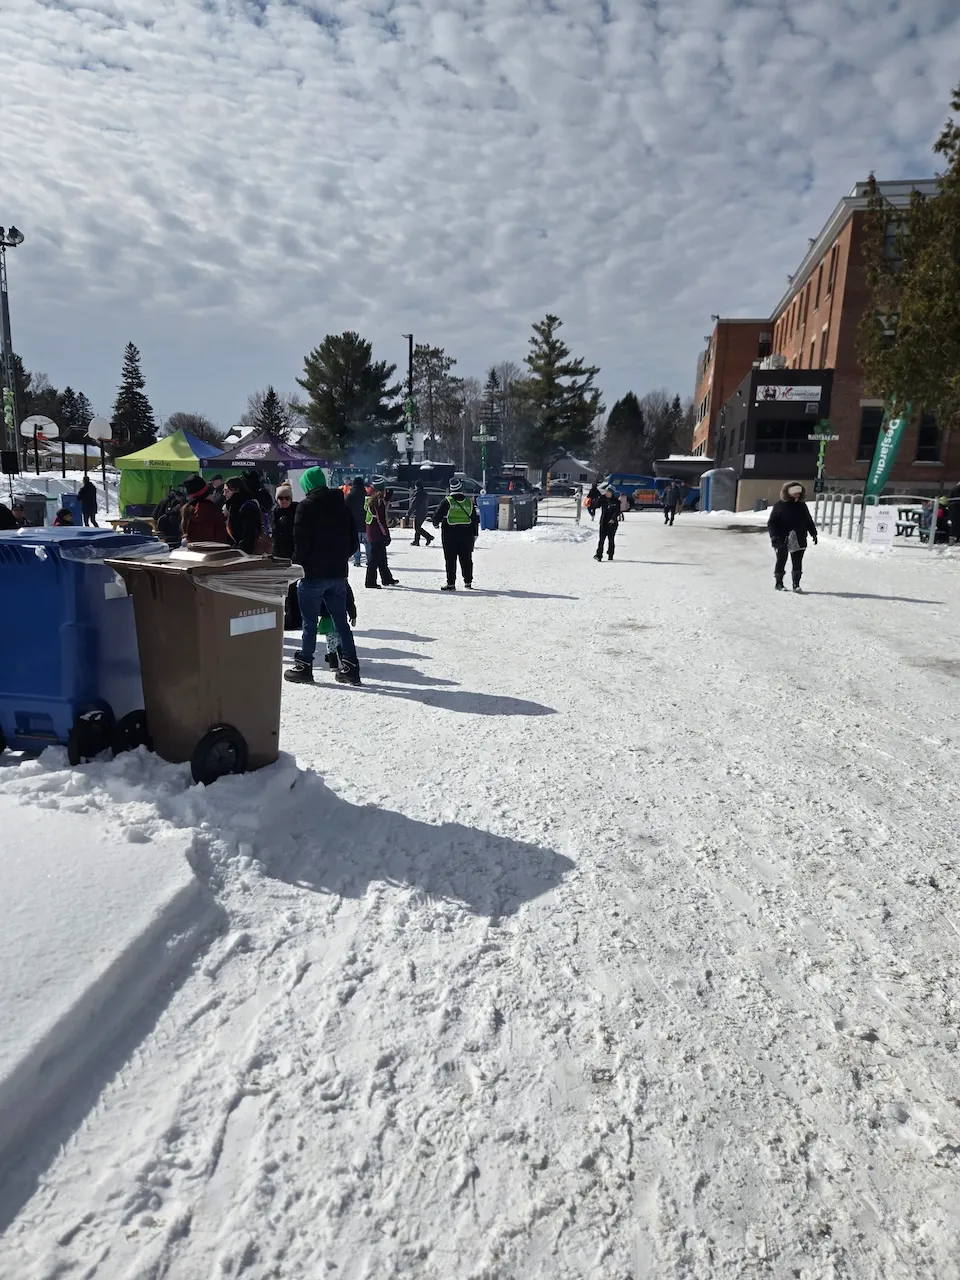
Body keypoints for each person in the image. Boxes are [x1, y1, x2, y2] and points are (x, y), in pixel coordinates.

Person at [285, 466, 362, 686]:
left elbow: (302, 544)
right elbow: (353, 541)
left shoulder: (306, 507)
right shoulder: (342, 505)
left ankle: (305, 667)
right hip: (338, 575)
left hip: (312, 576)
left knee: (310, 623)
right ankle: (351, 668)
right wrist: (338, 560)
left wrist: (298, 565)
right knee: (341, 623)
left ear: (308, 484)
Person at [768, 481, 818, 592]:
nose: (797, 495)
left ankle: (796, 585)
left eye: (799, 493)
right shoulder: (779, 505)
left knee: (797, 561)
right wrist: (773, 536)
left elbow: (808, 521)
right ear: (788, 493)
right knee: (781, 560)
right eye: (795, 493)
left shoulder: (802, 506)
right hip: (782, 538)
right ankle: (779, 583)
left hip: (798, 537)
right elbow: (772, 522)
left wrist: (813, 533)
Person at [433, 476, 479, 590]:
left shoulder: (447, 501)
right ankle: (468, 581)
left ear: (451, 489)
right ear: (461, 488)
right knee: (466, 559)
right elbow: (474, 519)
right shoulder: (468, 502)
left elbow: (436, 516)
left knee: (450, 559)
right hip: (466, 533)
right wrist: (475, 533)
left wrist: (435, 523)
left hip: (450, 533)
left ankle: (451, 583)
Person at [271, 483, 301, 630]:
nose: (283, 501)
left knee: (292, 589)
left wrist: (296, 555)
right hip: (279, 555)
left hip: (292, 555)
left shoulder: (296, 511)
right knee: (283, 589)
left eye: (286, 498)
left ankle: (294, 618)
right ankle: (288, 616)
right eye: (281, 498)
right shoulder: (276, 512)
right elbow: (275, 535)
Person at [364, 484, 398, 589]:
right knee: (374, 558)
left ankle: (387, 578)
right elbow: (381, 520)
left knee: (382, 556)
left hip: (371, 531)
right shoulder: (379, 503)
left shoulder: (370, 499)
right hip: (377, 533)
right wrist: (386, 534)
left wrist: (387, 499)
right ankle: (370, 581)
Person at [181, 474, 229, 545]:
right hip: (214, 550)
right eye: (211, 493)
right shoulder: (210, 509)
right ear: (207, 495)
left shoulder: (187, 508)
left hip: (194, 550)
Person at [224, 476, 264, 554]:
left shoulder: (247, 507)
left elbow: (249, 535)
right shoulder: (233, 507)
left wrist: (239, 551)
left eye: (227, 491)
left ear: (237, 490)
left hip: (248, 555)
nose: (224, 494)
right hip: (238, 551)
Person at [594, 485, 622, 561]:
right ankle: (599, 555)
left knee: (611, 539)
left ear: (612, 493)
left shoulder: (616, 501)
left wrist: (613, 519)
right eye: (606, 492)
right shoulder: (603, 499)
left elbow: (617, 511)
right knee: (601, 539)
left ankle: (610, 554)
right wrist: (599, 499)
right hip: (603, 522)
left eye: (609, 492)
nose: (607, 493)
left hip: (612, 523)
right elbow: (596, 505)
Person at [346, 476, 368, 567]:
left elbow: (346, 508)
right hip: (365, 522)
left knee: (356, 543)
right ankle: (369, 559)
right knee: (367, 543)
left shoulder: (350, 495)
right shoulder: (366, 495)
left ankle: (357, 560)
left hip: (354, 523)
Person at [411, 480, 434, 546]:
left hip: (418, 513)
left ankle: (428, 537)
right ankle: (416, 541)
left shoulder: (418, 494)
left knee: (417, 528)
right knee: (418, 527)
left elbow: (413, 505)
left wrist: (408, 514)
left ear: (416, 486)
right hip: (424, 512)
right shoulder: (425, 493)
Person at [948, 481, 960, 545]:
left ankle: (952, 540)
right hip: (956, 509)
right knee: (956, 525)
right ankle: (955, 539)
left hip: (953, 509)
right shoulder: (957, 490)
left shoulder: (954, 489)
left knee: (954, 525)